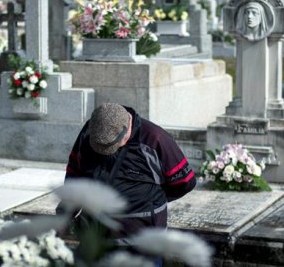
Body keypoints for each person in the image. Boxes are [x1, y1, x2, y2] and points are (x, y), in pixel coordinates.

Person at [61, 103, 196, 241]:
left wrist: (153, 199)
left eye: (110, 146)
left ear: (127, 132)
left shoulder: (155, 138)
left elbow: (185, 182)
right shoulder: (90, 131)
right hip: (95, 239)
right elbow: (74, 173)